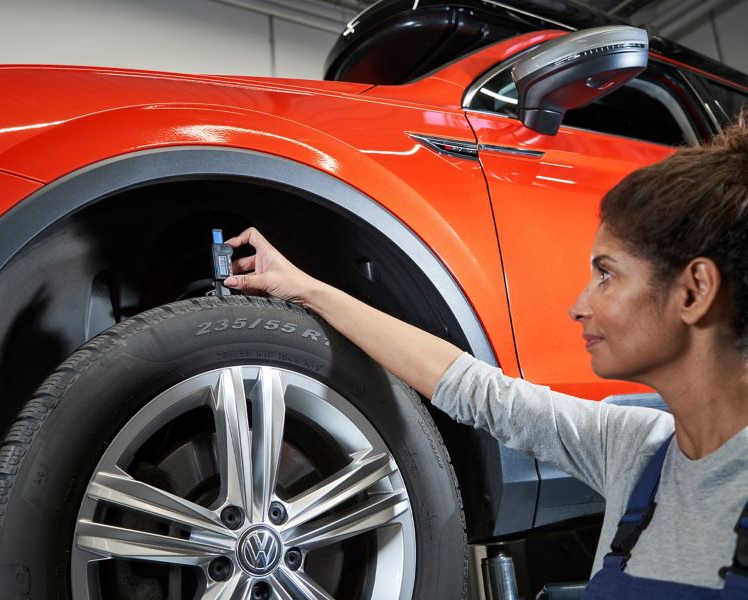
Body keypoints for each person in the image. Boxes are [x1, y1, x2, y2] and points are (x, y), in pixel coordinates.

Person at [222, 117, 748, 598]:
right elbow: (473, 388)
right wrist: (306, 289)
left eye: (606, 274)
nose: (578, 306)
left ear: (693, 291)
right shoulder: (637, 453)